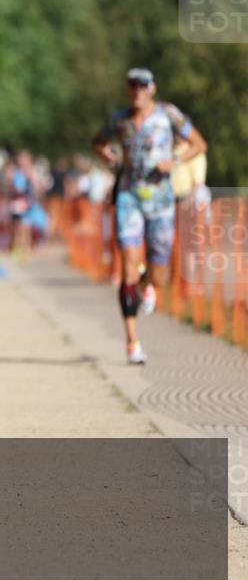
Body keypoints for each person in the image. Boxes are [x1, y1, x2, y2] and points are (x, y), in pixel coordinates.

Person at [92, 67, 207, 364]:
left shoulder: (168, 115)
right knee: (128, 263)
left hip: (161, 200)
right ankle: (132, 342)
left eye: (143, 86)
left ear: (152, 89)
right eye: (132, 85)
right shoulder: (120, 120)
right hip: (129, 196)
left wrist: (176, 161)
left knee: (160, 273)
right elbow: (98, 141)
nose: (137, 91)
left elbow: (199, 144)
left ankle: (146, 285)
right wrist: (106, 154)